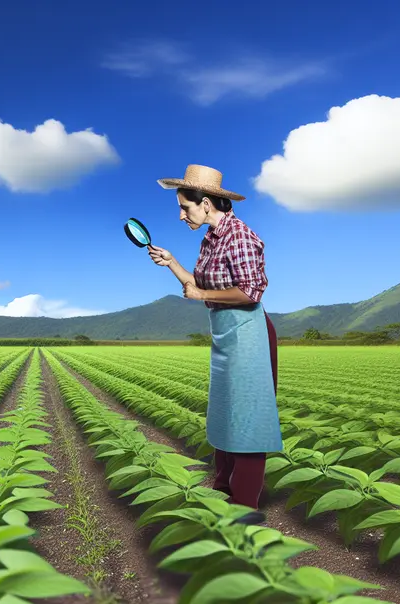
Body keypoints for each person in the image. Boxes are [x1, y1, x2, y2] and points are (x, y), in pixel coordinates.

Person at [146, 164, 283, 514]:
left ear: (206, 203)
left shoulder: (240, 236)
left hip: (249, 334)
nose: (180, 215)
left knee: (248, 420)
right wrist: (172, 262)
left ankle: (244, 508)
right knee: (224, 415)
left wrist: (197, 296)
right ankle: (223, 490)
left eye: (184, 207)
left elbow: (251, 292)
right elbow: (201, 287)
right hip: (226, 334)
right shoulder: (211, 237)